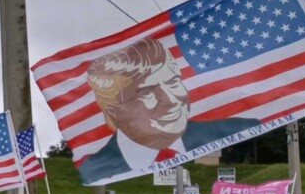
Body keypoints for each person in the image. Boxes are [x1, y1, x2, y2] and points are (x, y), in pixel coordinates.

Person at [77, 38, 260, 185]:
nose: (172, 100)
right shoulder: (97, 168)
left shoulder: (235, 128)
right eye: (147, 92)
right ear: (115, 111)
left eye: (173, 82)